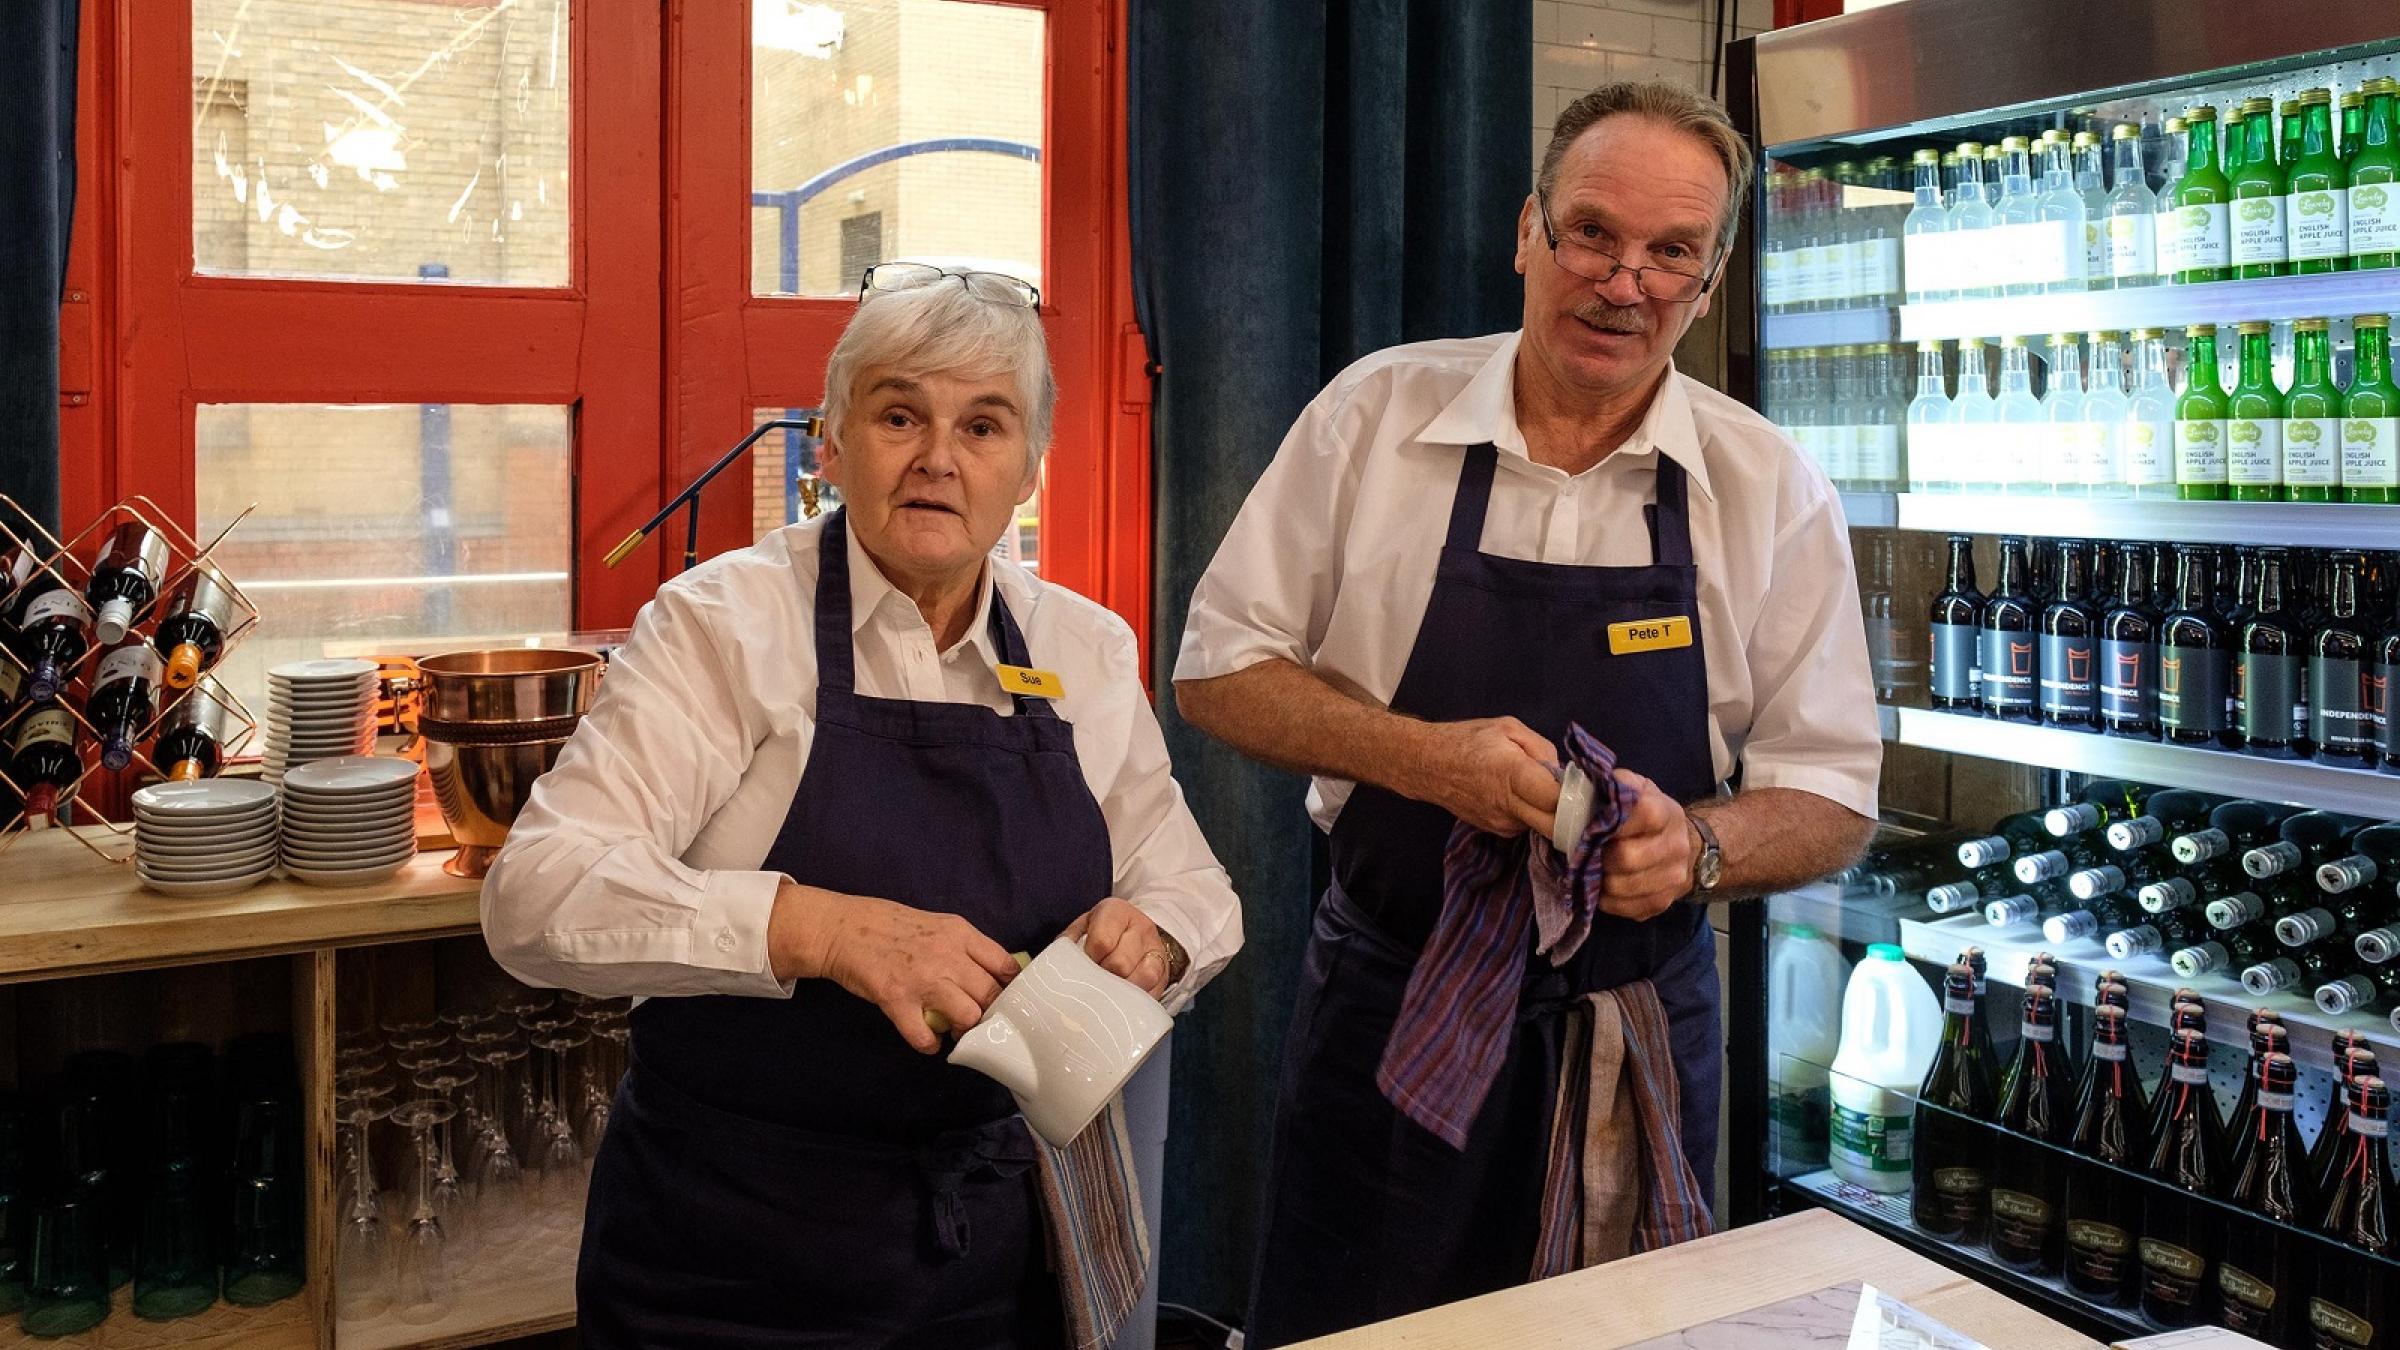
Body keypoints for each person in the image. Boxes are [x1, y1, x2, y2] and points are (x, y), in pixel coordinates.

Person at [1173, 82, 1882, 1345]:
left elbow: (1831, 797)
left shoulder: (1767, 490)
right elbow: (1218, 667)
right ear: (1526, 232)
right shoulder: (1373, 420)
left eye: (1672, 254)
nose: (1626, 282)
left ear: (1709, 284)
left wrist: (1702, 849)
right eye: (1594, 234)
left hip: (1631, 1037)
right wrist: (1418, 757)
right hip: (1390, 1026)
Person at [482, 263, 1243, 1349]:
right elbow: (533, 896)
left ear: (1029, 469)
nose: (939, 457)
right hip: (726, 1267)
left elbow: (1199, 890)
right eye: (900, 415)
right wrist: (822, 930)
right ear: (830, 445)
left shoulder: (1084, 648)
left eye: (984, 427)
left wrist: (1155, 940)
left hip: (990, 1259)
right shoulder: (722, 627)